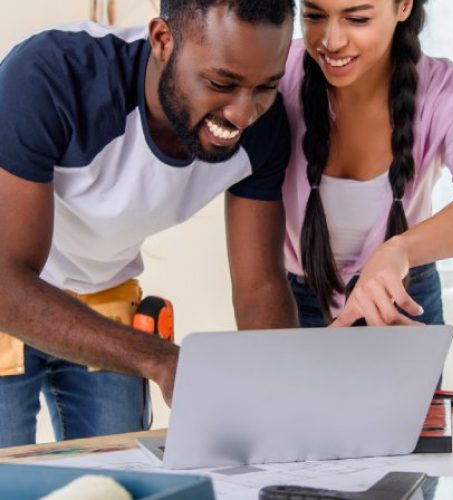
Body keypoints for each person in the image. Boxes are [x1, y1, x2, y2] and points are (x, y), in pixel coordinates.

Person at [0, 0, 298, 447]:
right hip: (9, 293)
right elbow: (7, 282)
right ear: (162, 41)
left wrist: (287, 406)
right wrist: (161, 360)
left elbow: (260, 287)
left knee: (122, 482)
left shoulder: (266, 128)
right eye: (221, 83)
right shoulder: (50, 77)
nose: (241, 115)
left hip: (105, 294)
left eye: (265, 87)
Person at [279, 0, 453, 327]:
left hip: (404, 294)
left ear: (404, 6)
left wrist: (399, 251)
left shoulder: (448, 91)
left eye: (357, 18)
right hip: (296, 298)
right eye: (314, 16)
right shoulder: (277, 72)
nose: (332, 40)